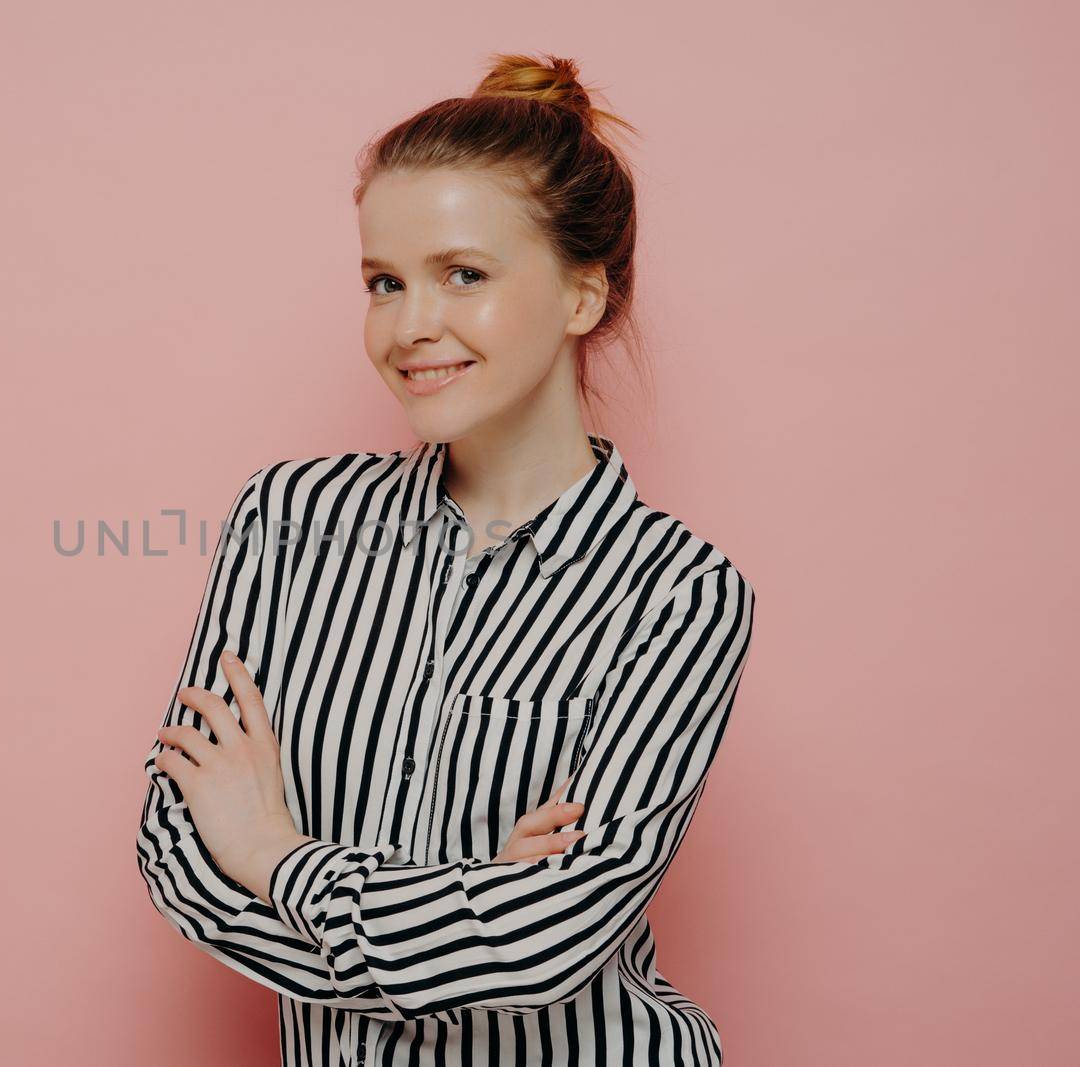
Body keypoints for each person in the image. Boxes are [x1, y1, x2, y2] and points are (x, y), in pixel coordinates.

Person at [135, 52, 757, 1067]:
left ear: (581, 295)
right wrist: (464, 911)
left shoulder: (678, 598)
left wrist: (275, 856)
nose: (409, 325)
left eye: (462, 274)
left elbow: (545, 943)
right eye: (384, 282)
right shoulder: (289, 519)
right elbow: (175, 852)